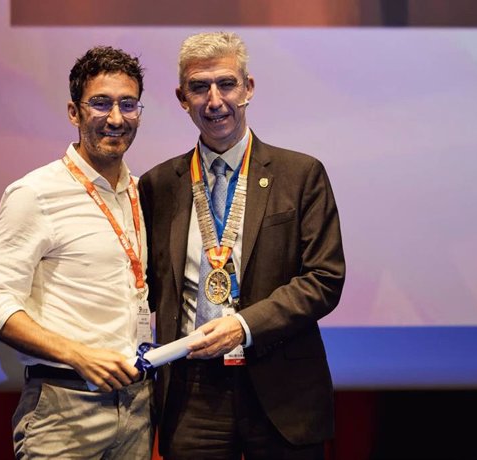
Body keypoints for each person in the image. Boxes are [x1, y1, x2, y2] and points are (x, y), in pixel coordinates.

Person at [139, 32, 345, 459]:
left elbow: (325, 279)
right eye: (200, 87)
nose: (215, 100)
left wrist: (244, 326)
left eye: (226, 84)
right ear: (182, 97)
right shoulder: (158, 185)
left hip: (280, 390)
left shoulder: (300, 174)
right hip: (192, 397)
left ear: (248, 88)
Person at [0, 46, 153, 459]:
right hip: (64, 406)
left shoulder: (142, 193)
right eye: (101, 103)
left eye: (128, 104)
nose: (116, 118)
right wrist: (77, 355)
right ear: (74, 113)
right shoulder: (35, 193)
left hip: (138, 405)